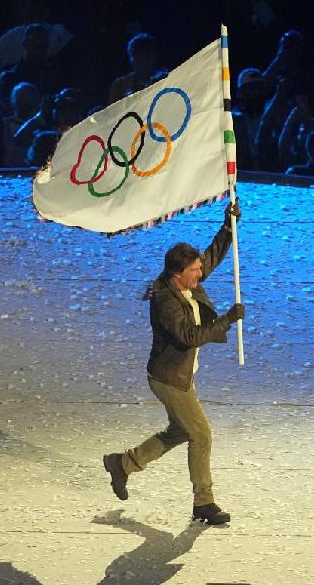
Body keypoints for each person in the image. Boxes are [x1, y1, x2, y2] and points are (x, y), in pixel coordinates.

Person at [103, 202, 246, 526]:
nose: (201, 273)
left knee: (179, 431)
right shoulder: (165, 299)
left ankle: (122, 464)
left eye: (198, 269)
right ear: (177, 274)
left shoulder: (185, 280)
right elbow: (189, 336)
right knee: (201, 434)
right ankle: (203, 502)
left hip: (180, 374)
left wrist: (228, 227)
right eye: (194, 271)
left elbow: (210, 258)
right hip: (170, 379)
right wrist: (226, 321)